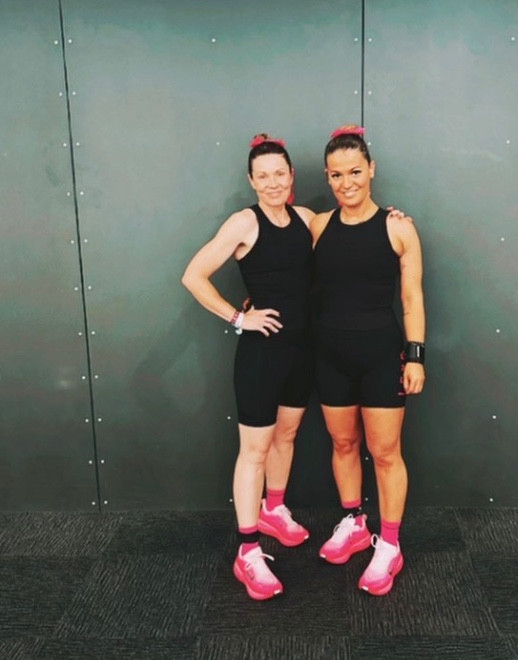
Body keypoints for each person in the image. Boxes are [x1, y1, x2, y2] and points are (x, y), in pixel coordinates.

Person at [182, 134, 316, 601]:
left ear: (291, 175)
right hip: (262, 354)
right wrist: (239, 319)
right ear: (251, 180)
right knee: (254, 451)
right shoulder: (244, 222)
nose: (273, 182)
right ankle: (247, 551)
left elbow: (351, 229)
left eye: (280, 173)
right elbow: (193, 276)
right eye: (263, 176)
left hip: (302, 351)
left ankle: (273, 510)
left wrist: (394, 219)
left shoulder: (306, 219)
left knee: (287, 436)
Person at [311, 125, 425, 596]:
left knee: (384, 452)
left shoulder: (398, 227)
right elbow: (278, 255)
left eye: (355, 171)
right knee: (342, 444)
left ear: (371, 169)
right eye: (336, 175)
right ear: (327, 177)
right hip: (330, 355)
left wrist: (415, 357)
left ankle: (390, 545)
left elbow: (412, 299)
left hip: (381, 354)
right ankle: (354, 522)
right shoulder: (317, 226)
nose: (346, 182)